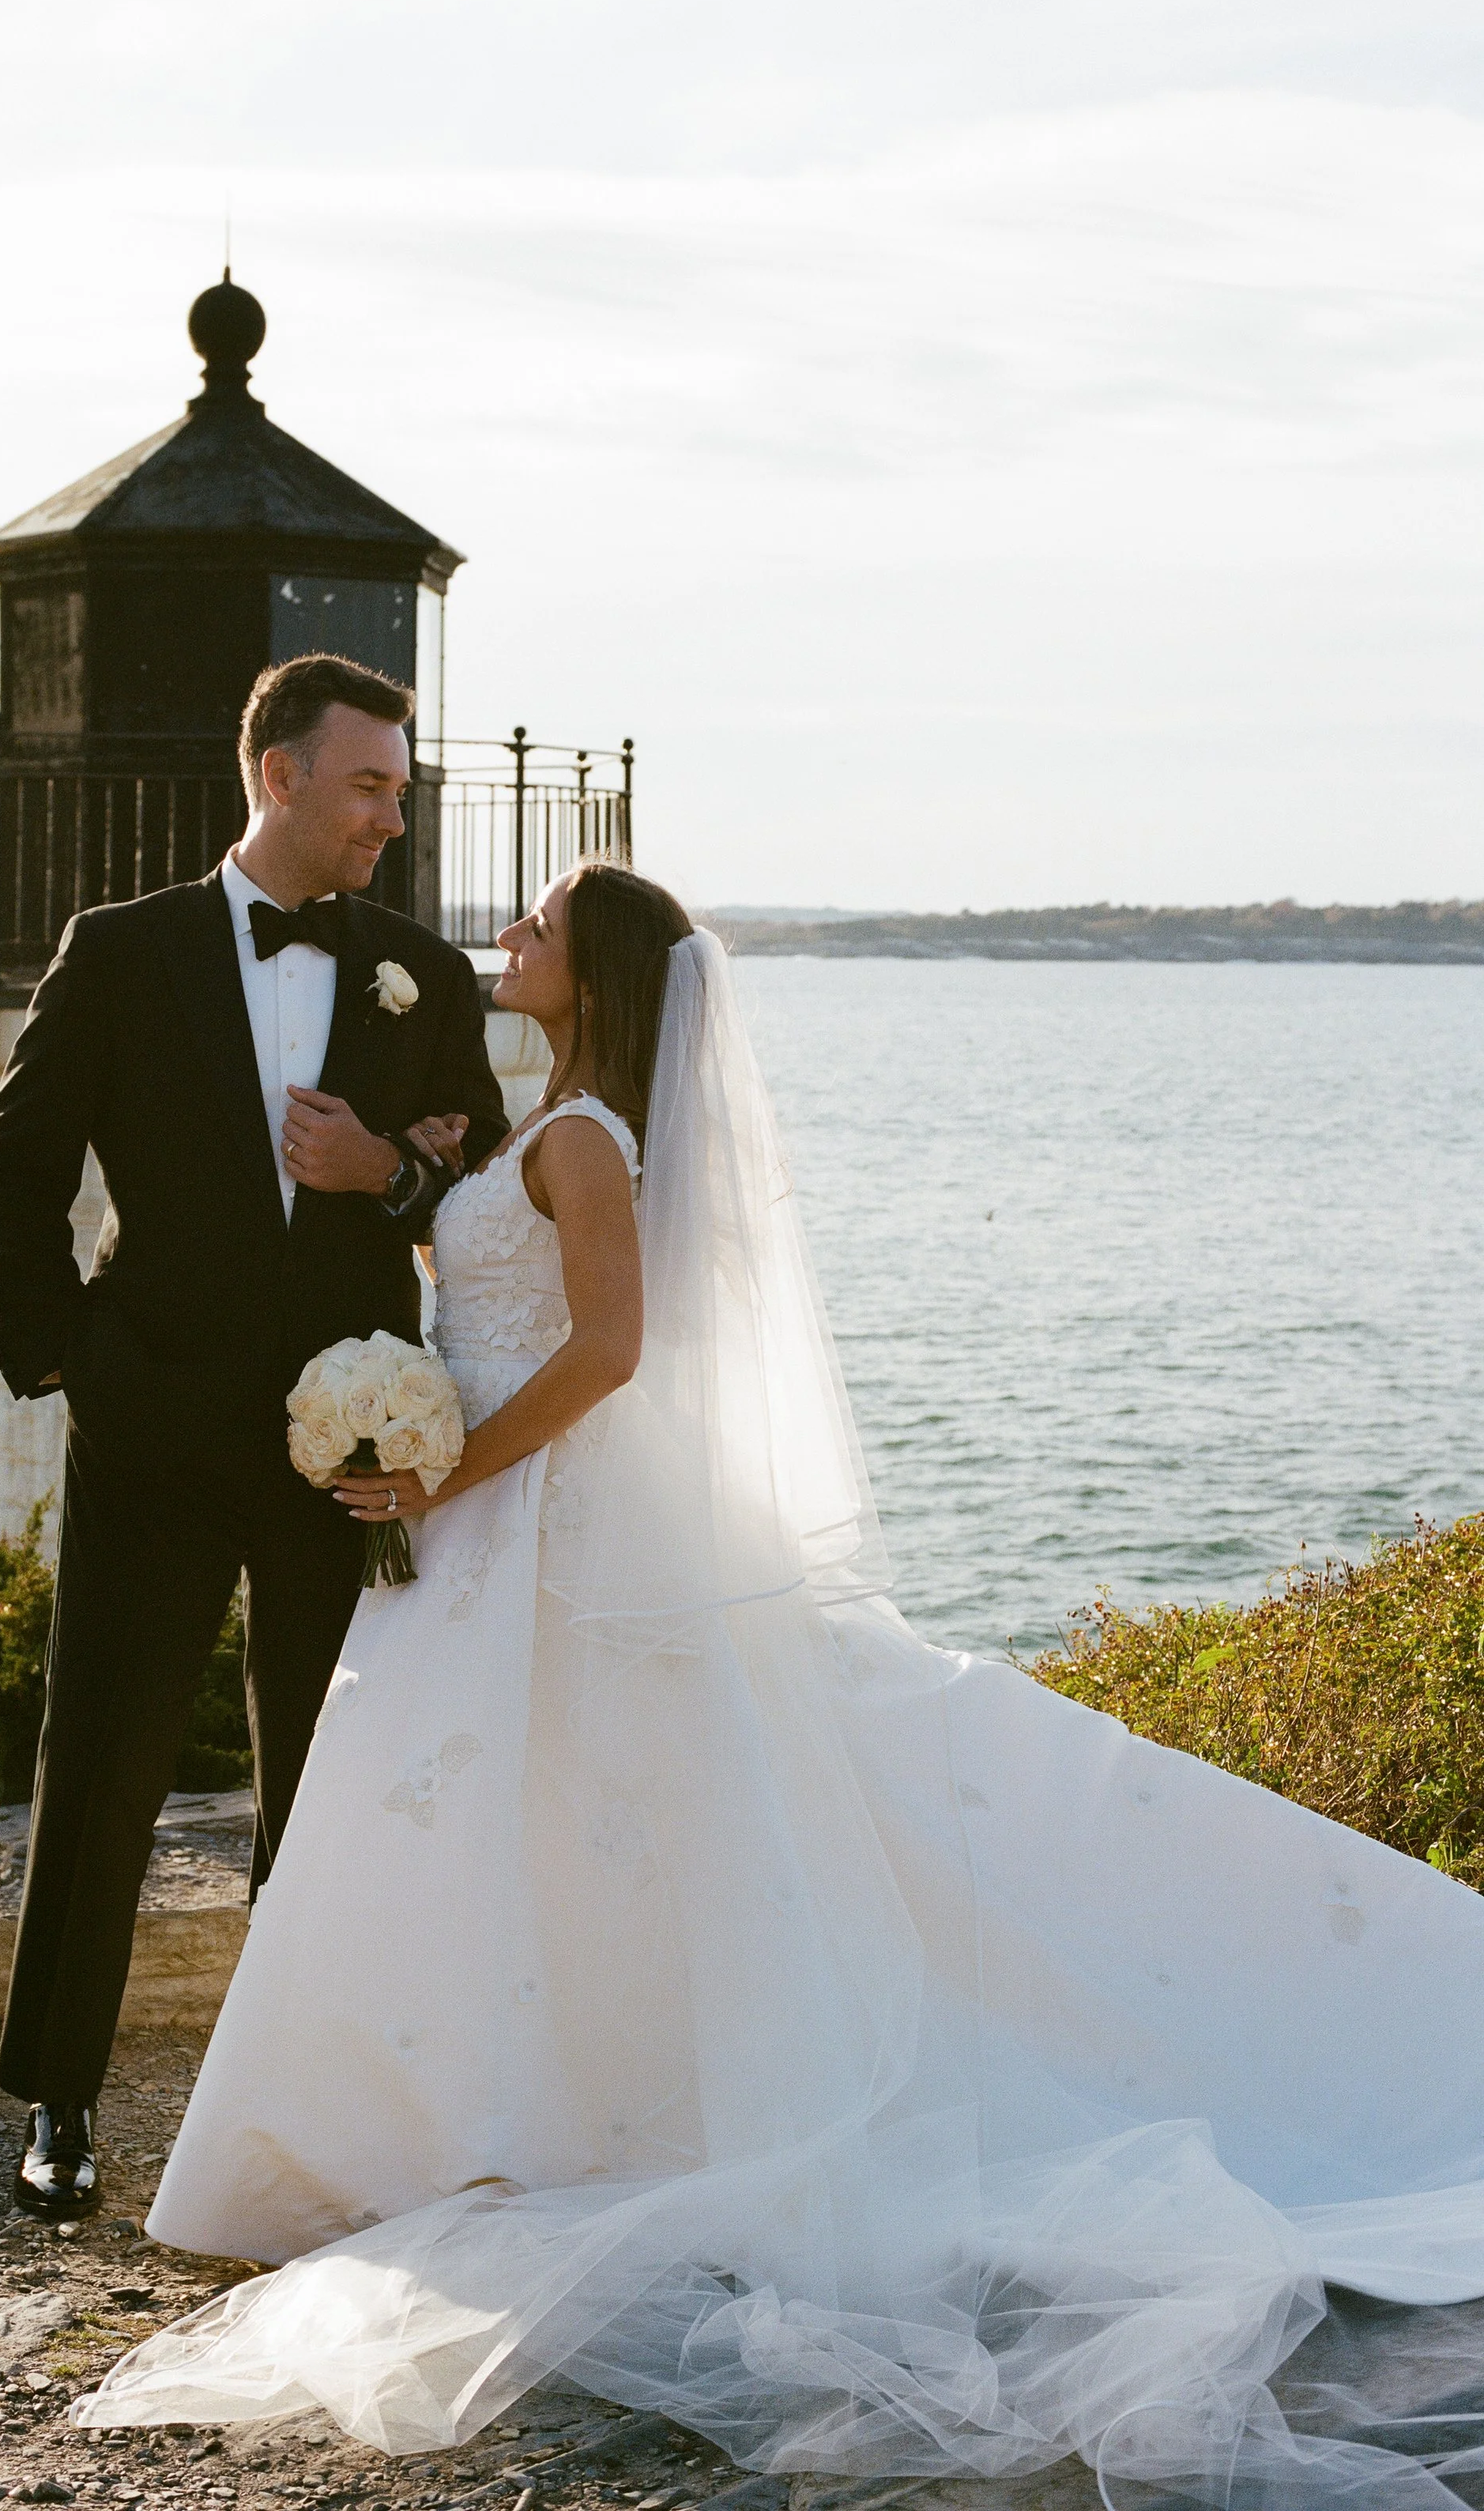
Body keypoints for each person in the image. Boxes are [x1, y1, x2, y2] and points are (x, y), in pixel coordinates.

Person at [73, 860, 1484, 2511]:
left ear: (588, 973)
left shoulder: (586, 1139)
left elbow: (606, 1352)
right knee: (523, 1819)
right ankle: (450, 2119)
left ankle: (482, 2126)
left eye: (532, 928)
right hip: (492, 1527)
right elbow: (516, 1292)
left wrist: (441, 1471)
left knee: (572, 1808)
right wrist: (415, 1203)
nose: (503, 942)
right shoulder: (549, 1128)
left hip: (524, 1519)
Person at [0, 652, 507, 2219]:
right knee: (104, 1761)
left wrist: (377, 1184)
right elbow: (11, 1181)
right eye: (368, 785)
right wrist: (76, 1364)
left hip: (352, 1443)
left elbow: (469, 1199)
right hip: (149, 1427)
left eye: (402, 790)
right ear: (276, 773)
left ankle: (304, 2093)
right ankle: (58, 2096)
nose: (392, 817)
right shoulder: (117, 951)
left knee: (330, 1773)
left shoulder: (421, 974)